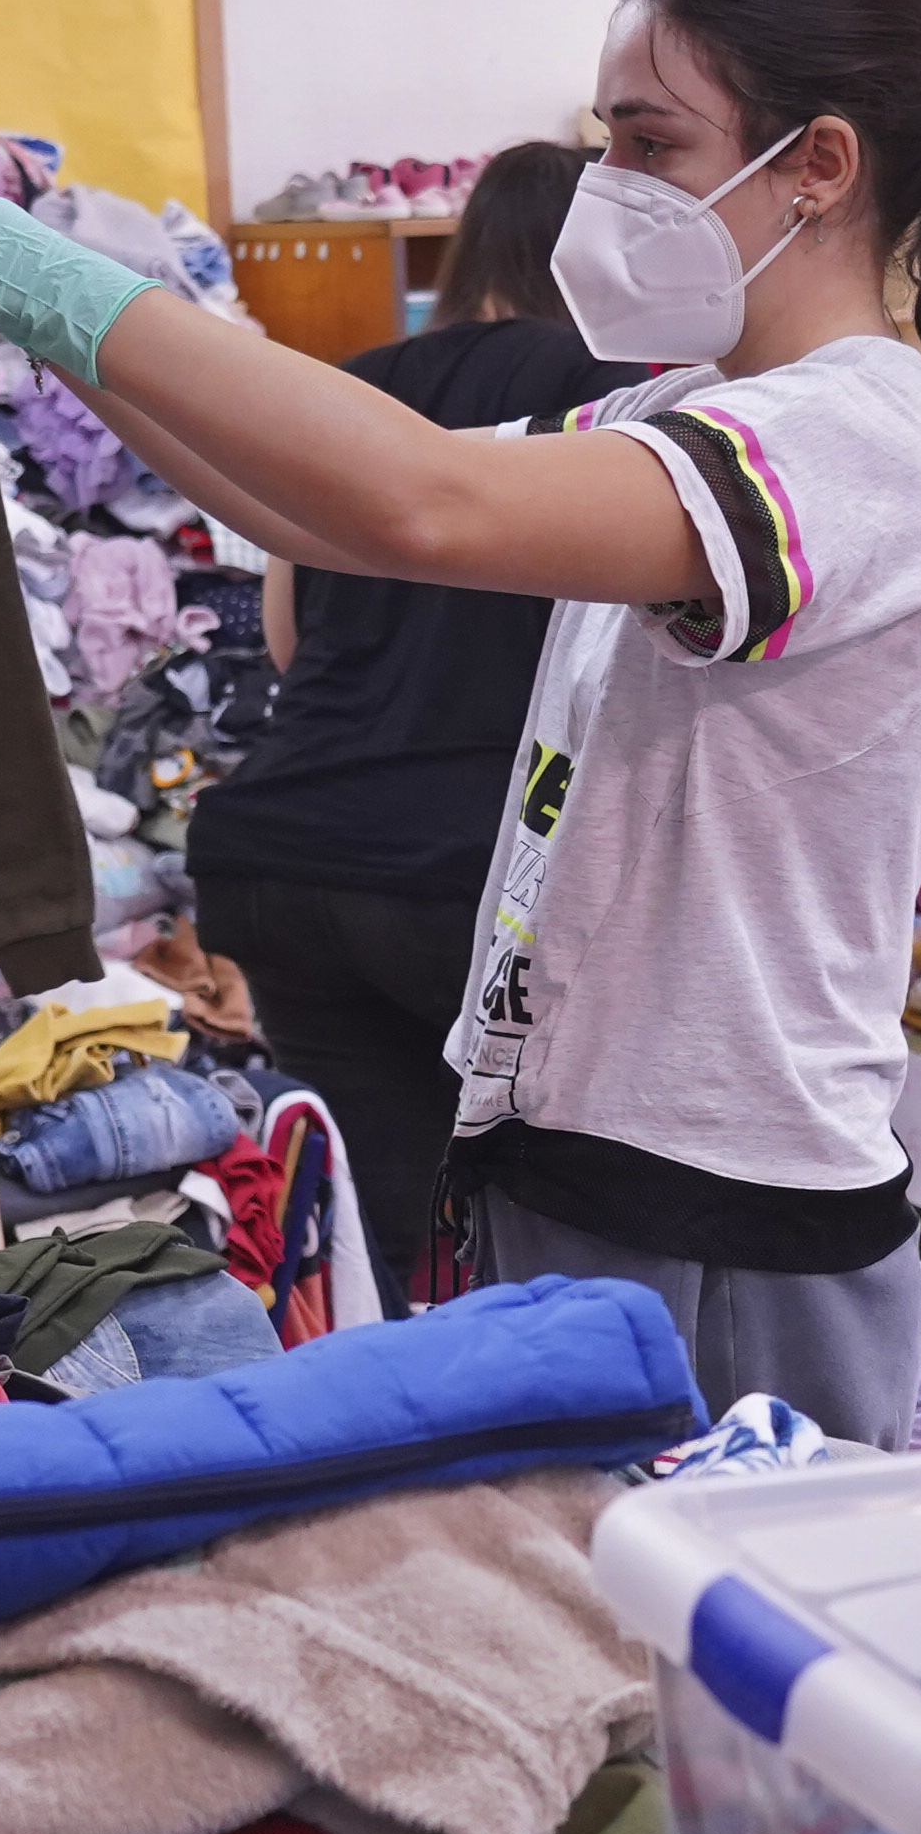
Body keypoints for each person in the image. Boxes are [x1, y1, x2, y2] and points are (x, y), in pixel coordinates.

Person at [0, 0, 921, 1441]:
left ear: (822, 163)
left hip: (727, 1198)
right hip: (583, 1146)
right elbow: (322, 511)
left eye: (651, 145)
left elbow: (418, 500)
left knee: (706, 1653)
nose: (610, 190)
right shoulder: (687, 408)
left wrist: (59, 287)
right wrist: (40, 324)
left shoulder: (852, 445)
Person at [183, 142, 626, 1303]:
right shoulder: (618, 398)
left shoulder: (353, 388)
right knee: (553, 1215)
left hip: (282, 848)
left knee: (377, 1239)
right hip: (469, 866)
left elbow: (286, 640)